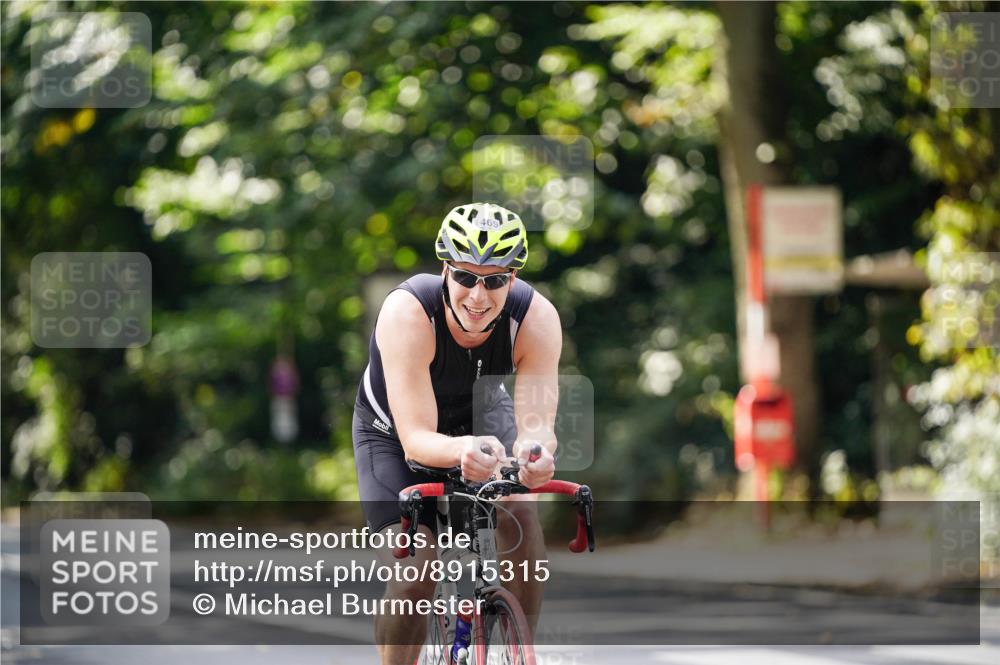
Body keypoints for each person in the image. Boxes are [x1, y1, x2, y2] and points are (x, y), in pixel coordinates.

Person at [352, 202, 561, 665]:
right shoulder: (408, 312)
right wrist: (461, 450)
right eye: (465, 277)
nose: (478, 295)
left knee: (522, 516)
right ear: (445, 271)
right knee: (416, 571)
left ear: (513, 278)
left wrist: (537, 454)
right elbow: (417, 439)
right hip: (393, 431)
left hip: (481, 416)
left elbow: (536, 426)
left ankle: (518, 650)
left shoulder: (536, 319)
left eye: (494, 279)